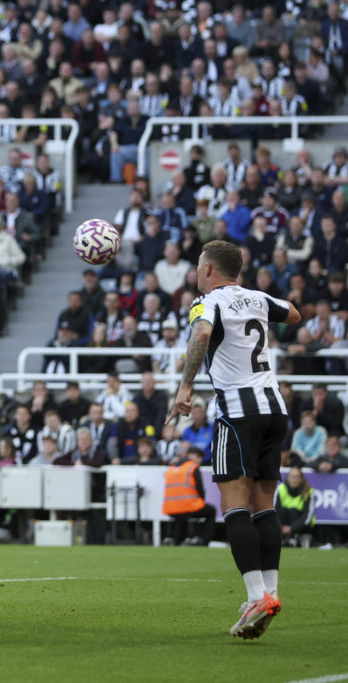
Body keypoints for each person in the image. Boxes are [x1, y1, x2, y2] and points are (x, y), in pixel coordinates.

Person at [168, 239, 302, 640]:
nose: (196, 272)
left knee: (233, 504)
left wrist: (185, 386)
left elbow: (203, 335)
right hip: (274, 408)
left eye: (197, 266)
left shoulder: (205, 303)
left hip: (237, 412)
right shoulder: (257, 297)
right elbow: (293, 314)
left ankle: (256, 595)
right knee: (264, 505)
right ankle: (271, 593)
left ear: (208, 269)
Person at [162, 447, 216, 546]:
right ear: (196, 456)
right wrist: (200, 502)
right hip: (187, 506)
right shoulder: (193, 468)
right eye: (200, 459)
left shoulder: (172, 468)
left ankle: (177, 542)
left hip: (170, 507)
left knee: (180, 517)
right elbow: (200, 490)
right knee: (211, 511)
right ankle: (204, 541)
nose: (200, 462)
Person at [275, 467, 314, 547]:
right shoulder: (280, 489)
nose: (294, 479)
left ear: (301, 478)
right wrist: (281, 527)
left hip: (300, 526)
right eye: (292, 477)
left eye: (297, 477)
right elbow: (274, 511)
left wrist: (292, 528)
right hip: (282, 524)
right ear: (288, 478)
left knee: (294, 511)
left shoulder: (308, 491)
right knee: (284, 510)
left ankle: (294, 538)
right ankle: (283, 538)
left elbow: (307, 516)